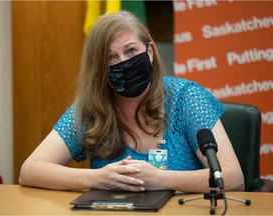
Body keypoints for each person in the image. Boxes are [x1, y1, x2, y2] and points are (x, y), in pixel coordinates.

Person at [19, 11, 244, 193]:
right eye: (110, 58)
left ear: (150, 52)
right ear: (98, 69)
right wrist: (97, 178)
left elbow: (233, 177)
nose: (124, 63)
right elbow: (30, 170)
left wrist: (163, 180)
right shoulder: (91, 108)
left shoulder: (186, 98)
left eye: (131, 51)